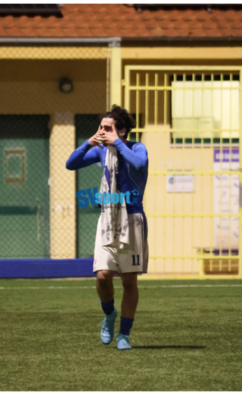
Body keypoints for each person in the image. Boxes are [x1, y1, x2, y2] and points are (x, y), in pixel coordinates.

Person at [65, 105, 149, 351]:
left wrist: (118, 142)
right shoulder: (101, 151)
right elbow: (71, 164)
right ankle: (109, 314)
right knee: (102, 276)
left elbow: (139, 164)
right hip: (107, 218)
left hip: (132, 218)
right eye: (100, 127)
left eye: (107, 128)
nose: (102, 132)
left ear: (121, 130)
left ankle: (124, 334)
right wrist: (88, 143)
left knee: (129, 280)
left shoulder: (135, 147)